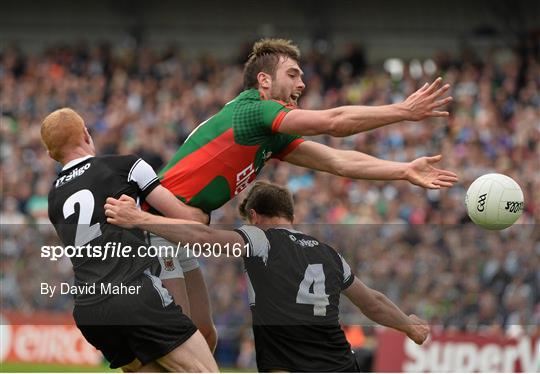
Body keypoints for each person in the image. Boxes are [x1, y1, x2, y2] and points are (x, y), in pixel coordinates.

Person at [152, 38, 457, 350]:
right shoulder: (256, 111)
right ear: (264, 80)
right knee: (181, 342)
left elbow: (337, 161)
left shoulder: (269, 133)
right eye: (293, 75)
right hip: (154, 221)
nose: (302, 82)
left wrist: (403, 169)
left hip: (178, 226)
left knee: (204, 334)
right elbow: (334, 122)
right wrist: (403, 110)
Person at [105, 181, 431, 372]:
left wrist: (139, 218)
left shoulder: (261, 238)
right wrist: (409, 325)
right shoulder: (327, 252)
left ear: (255, 216)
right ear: (291, 215)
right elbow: (371, 302)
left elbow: (205, 239)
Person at [42, 108, 217, 372]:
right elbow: (186, 219)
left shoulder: (54, 198)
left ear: (50, 154)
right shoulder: (126, 166)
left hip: (90, 311)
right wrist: (206, 210)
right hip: (134, 295)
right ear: (86, 134)